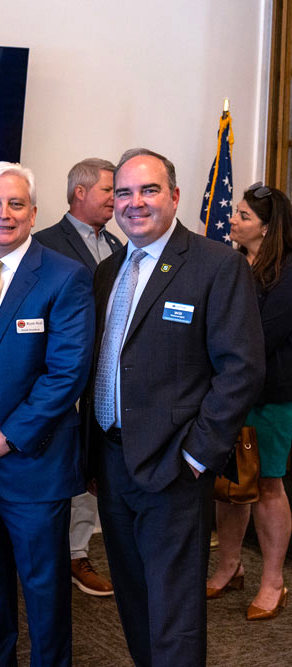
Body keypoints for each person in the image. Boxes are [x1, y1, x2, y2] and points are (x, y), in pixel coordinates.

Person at [87, 148, 265, 666]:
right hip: (112, 461)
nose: (134, 203)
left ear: (175, 196)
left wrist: (196, 457)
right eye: (123, 192)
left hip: (175, 466)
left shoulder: (216, 265)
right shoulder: (108, 271)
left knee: (174, 608)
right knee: (134, 597)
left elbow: (242, 371)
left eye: (149, 190)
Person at [0, 161, 95, 666]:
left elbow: (65, 374)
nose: (3, 214)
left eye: (15, 204)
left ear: (33, 213)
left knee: (44, 590)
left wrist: (6, 437)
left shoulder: (65, 276)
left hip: (33, 463)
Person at [34, 157, 121, 597]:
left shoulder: (122, 246)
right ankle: (51, 555)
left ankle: (77, 553)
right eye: (110, 189)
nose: (117, 198)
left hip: (106, 384)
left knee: (90, 470)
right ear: (80, 192)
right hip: (61, 383)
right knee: (63, 470)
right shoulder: (43, 245)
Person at [206, 182, 292, 620]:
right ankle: (229, 566)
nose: (232, 221)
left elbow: (259, 336)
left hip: (270, 399)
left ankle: (273, 581)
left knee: (267, 487)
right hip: (227, 394)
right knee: (229, 487)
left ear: (267, 228)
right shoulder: (232, 263)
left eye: (242, 216)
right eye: (234, 212)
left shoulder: (288, 272)